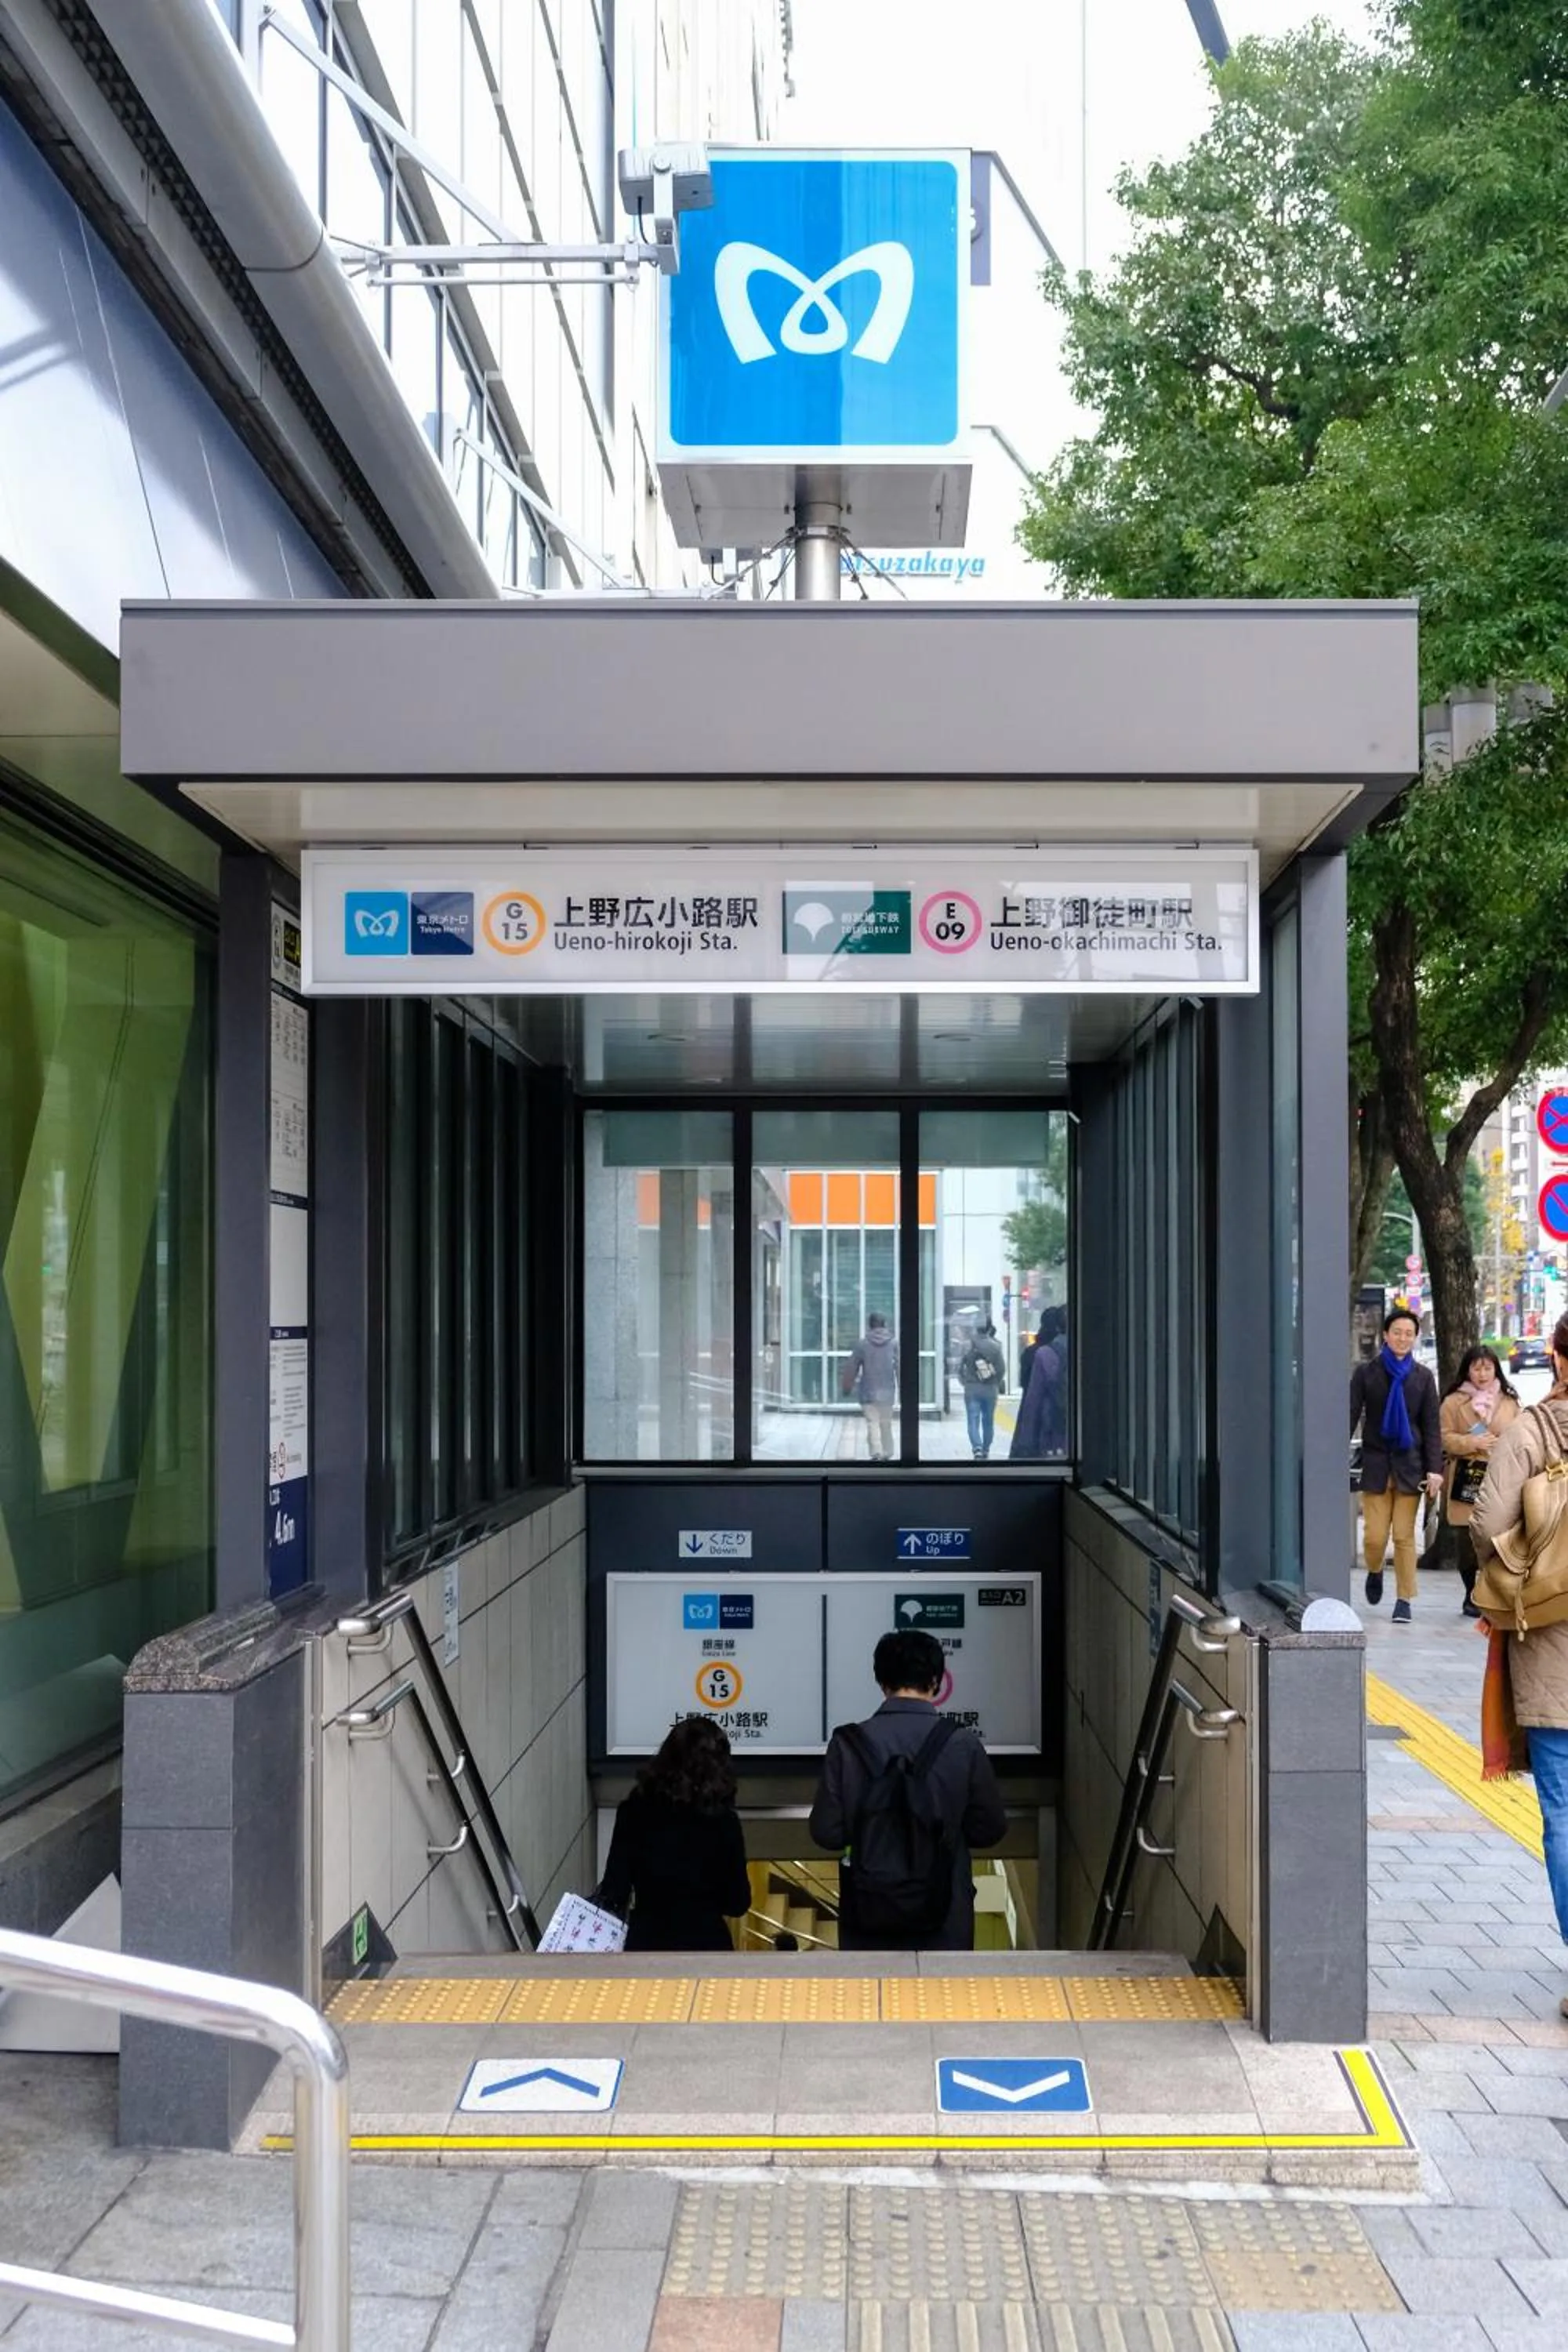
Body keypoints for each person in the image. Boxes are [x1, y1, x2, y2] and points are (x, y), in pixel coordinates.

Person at [1469, 1315, 1568, 2015]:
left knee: (1565, 1814)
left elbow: (1486, 1523)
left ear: (1558, 1358)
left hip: (1553, 1642)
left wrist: (1516, 1578)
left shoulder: (1532, 1431)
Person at [808, 1628, 1007, 1951]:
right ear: (935, 1681)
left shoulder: (846, 1744)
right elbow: (990, 1829)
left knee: (873, 1987)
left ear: (881, 1681)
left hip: (869, 1915)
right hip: (944, 1917)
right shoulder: (962, 1743)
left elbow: (826, 1833)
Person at [597, 1715, 751, 1952]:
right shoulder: (724, 1822)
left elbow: (614, 1890)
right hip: (707, 1945)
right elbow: (738, 1903)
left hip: (647, 1943)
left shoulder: (634, 1811)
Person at [1349, 1305, 1443, 1622]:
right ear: (1386, 1336)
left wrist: (1435, 1470)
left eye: (1409, 1334)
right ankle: (1375, 1570)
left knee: (1404, 1537)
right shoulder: (1367, 1373)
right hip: (1376, 1465)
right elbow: (1351, 1415)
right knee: (1375, 1537)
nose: (1403, 1338)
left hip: (1411, 1467)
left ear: (1415, 1338)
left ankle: (1404, 1599)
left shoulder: (1423, 1377)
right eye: (1397, 1333)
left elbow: (1432, 1426)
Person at [1441, 1345, 1521, 1618]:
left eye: (1488, 1368)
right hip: (1466, 1477)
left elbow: (1522, 1437)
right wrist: (1471, 1442)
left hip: (1500, 1477)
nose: (1483, 1374)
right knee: (1467, 1540)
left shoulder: (1509, 1402)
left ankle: (1490, 1592)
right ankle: (1469, 1592)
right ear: (1468, 1371)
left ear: (1496, 1370)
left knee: (1496, 1536)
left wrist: (1503, 1446)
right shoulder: (1453, 1402)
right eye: (1477, 1368)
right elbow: (1443, 1437)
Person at [1010, 1308, 1066, 1461]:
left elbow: (1031, 1395)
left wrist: (1025, 1441)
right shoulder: (1082, 1350)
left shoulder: (1036, 1353)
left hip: (1048, 1424)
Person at [844, 1310, 898, 1462]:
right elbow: (900, 1366)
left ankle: (876, 1453)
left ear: (870, 1325)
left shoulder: (863, 1344)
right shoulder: (893, 1344)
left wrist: (847, 1386)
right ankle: (888, 1451)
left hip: (868, 1390)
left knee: (872, 1423)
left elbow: (852, 1367)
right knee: (886, 1423)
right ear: (884, 1324)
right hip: (887, 1391)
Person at [958, 1319, 1006, 1460]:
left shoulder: (967, 1345)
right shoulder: (996, 1346)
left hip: (972, 1388)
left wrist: (965, 1382)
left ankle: (977, 1448)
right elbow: (1001, 1369)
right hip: (990, 1389)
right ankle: (986, 1449)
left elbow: (960, 1368)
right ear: (989, 1328)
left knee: (973, 1419)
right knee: (988, 1420)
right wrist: (995, 1382)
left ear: (975, 1328)